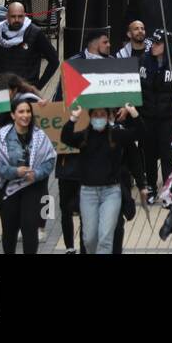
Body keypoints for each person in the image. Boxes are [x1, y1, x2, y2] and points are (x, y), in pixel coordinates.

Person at [59, 103, 142, 255]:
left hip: (111, 192)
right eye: (95, 115)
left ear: (108, 116)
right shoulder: (84, 136)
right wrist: (73, 118)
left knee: (105, 237)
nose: (99, 118)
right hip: (88, 193)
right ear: (90, 117)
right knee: (89, 238)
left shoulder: (116, 135)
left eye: (102, 115)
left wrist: (134, 113)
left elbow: (139, 133)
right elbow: (65, 137)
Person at [0, 95, 57, 254]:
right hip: (9, 189)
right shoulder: (2, 136)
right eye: (21, 111)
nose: (25, 115)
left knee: (30, 229)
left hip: (33, 187)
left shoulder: (40, 136)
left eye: (28, 111)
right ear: (13, 115)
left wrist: (35, 174)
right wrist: (15, 172)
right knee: (9, 230)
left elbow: (49, 161)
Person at [0, 0, 59, 88]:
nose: (17, 20)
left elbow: (54, 61)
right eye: (13, 16)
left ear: (25, 16)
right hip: (2, 88)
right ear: (7, 17)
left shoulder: (35, 33)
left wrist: (38, 86)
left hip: (25, 88)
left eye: (20, 16)